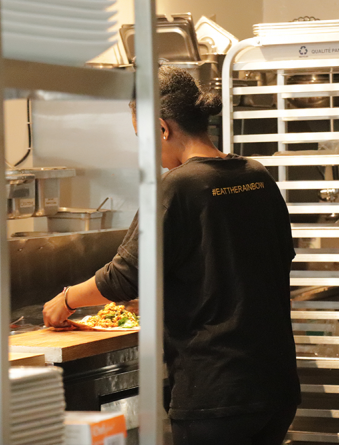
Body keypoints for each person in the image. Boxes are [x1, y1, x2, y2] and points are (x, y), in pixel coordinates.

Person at [43, 66, 300, 445]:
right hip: (275, 388)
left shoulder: (178, 187)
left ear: (163, 128)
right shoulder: (257, 176)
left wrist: (65, 301)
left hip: (216, 394)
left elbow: (123, 276)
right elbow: (255, 263)